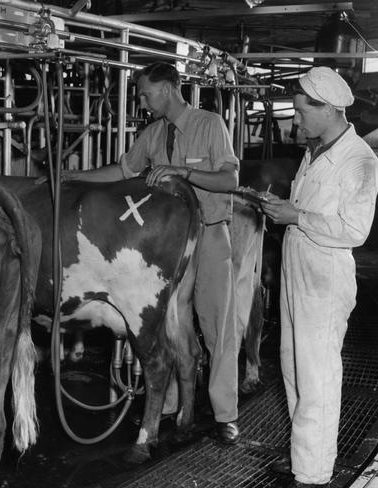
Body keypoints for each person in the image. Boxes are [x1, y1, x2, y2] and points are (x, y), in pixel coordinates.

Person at [63, 62, 241, 444]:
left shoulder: (210, 125)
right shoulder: (153, 133)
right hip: (165, 247)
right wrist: (72, 178)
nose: (142, 101)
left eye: (146, 93)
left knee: (215, 328)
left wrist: (184, 173)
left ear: (169, 88)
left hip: (209, 236)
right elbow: (122, 171)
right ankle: (171, 406)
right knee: (168, 326)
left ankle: (225, 413)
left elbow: (230, 179)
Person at [261, 67, 378, 488]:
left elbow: (355, 230)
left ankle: (313, 474)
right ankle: (302, 456)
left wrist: (297, 216)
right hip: (299, 267)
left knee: (318, 375)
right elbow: (308, 211)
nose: (296, 120)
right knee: (293, 367)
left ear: (328, 109)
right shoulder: (316, 151)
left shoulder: (358, 160)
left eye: (300, 111)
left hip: (325, 276)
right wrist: (284, 212)